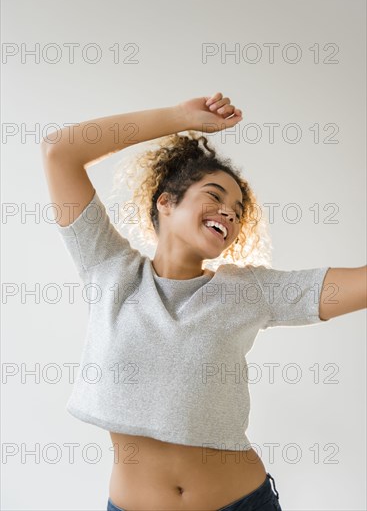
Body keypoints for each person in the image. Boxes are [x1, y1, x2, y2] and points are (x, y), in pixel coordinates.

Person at [41, 92, 366, 511]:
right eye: (215, 196)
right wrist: (178, 117)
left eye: (237, 209)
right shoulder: (108, 267)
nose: (229, 213)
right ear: (166, 202)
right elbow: (59, 152)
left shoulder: (248, 291)